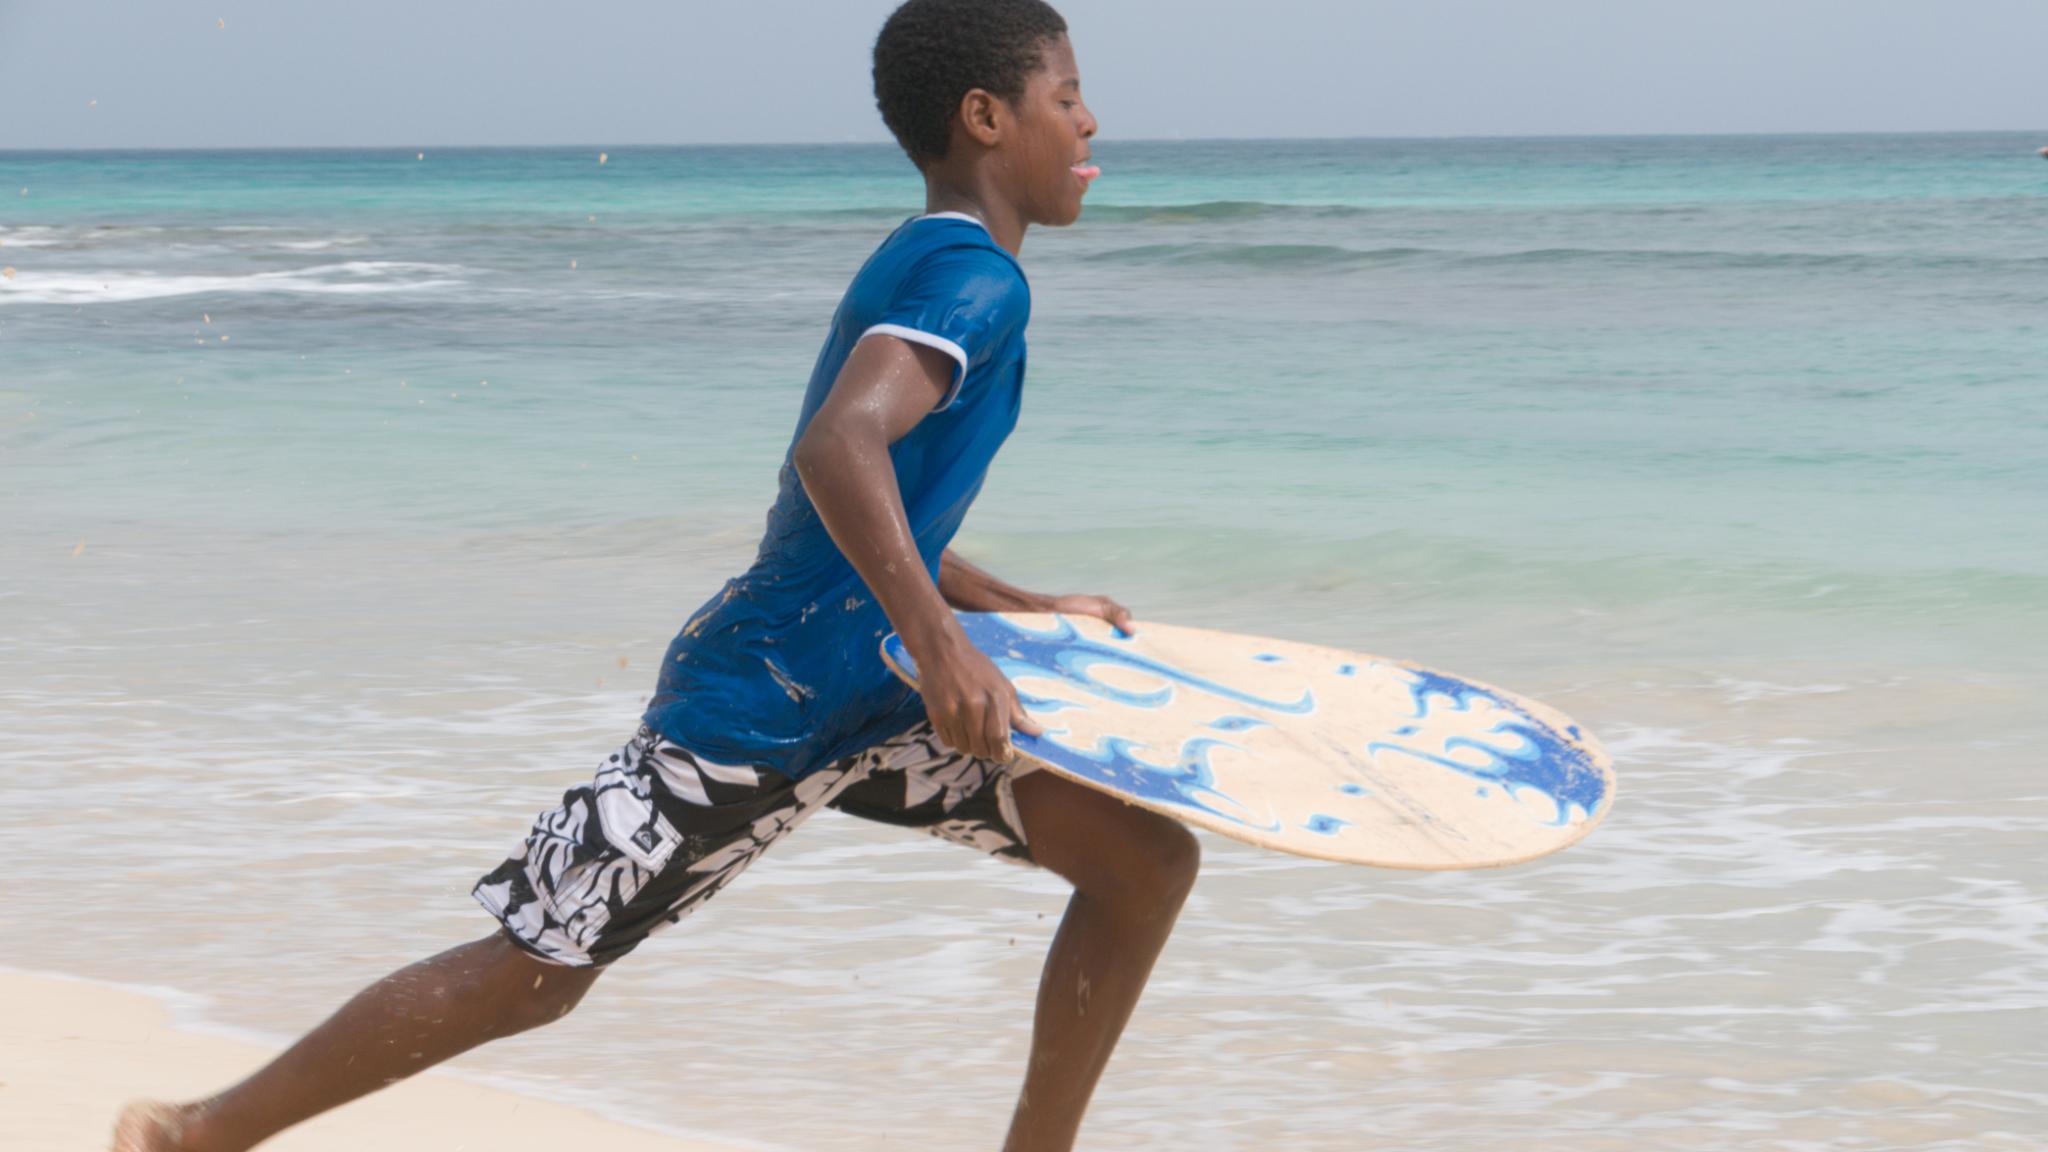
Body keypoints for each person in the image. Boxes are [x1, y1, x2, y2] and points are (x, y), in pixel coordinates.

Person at [114, 2, 1199, 1150]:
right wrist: (941, 648)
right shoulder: (974, 282)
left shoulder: (929, 256)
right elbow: (837, 449)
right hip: (764, 708)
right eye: (1065, 96)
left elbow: (868, 509)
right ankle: (193, 1137)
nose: (1089, 120)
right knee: (532, 973)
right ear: (985, 116)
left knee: (1142, 862)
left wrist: (1015, 607)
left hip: (872, 702)